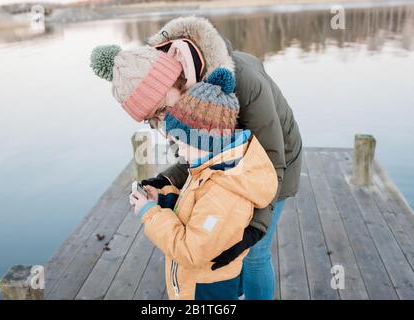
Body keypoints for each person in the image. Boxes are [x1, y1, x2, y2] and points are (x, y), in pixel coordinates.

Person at [90, 17, 302, 300]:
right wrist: (166, 180)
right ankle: (235, 291)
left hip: (276, 161)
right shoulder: (171, 107)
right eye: (152, 118)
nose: (161, 121)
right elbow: (196, 160)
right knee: (223, 248)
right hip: (228, 164)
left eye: (161, 110)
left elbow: (272, 165)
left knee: (254, 253)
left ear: (174, 78)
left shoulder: (244, 82)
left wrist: (254, 230)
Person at [129, 71, 278, 300]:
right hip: (199, 283)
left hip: (206, 289)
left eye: (182, 143)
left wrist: (150, 214)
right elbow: (195, 208)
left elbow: (191, 251)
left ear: (205, 140)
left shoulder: (223, 192)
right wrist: (161, 200)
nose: (180, 150)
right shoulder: (211, 167)